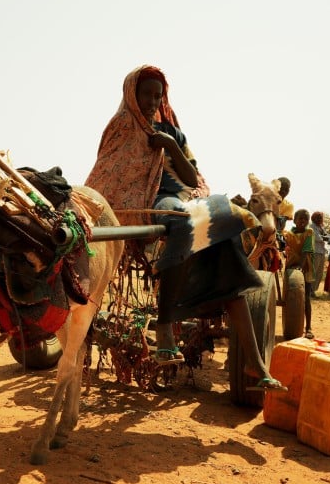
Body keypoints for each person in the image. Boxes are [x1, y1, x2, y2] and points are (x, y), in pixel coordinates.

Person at [85, 65, 286, 392]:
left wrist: (170, 145)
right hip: (154, 200)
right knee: (181, 218)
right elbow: (110, 173)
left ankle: (254, 362)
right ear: (132, 94)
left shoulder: (173, 132)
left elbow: (192, 178)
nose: (152, 101)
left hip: (188, 197)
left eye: (158, 96)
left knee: (226, 232)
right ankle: (166, 325)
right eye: (146, 94)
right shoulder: (122, 127)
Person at [284, 209, 315, 339]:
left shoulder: (309, 232)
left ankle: (308, 327)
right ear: (295, 220)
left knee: (306, 297)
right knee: (290, 297)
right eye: (300, 218)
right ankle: (293, 326)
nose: (303, 221)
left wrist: (300, 267)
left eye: (306, 219)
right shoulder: (288, 234)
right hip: (291, 266)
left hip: (305, 266)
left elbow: (306, 251)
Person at [310, 211, 328, 294]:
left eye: (321, 218)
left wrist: (325, 237)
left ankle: (314, 290)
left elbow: (327, 236)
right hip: (315, 251)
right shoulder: (311, 226)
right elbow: (317, 238)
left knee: (319, 273)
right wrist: (325, 238)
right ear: (313, 218)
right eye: (318, 218)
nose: (320, 219)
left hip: (322, 251)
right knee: (313, 272)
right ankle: (310, 291)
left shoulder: (321, 227)